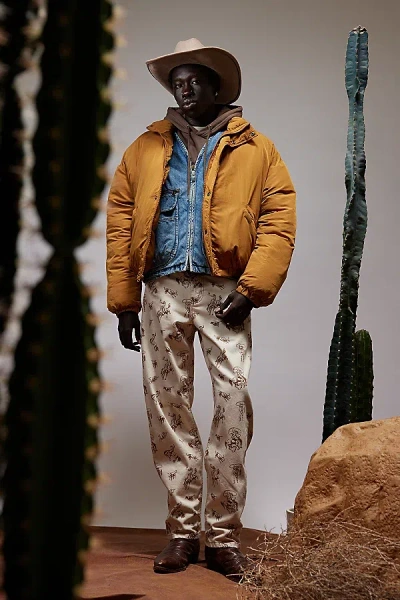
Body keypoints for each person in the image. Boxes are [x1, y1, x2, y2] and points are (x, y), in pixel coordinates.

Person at [106, 38, 296, 580]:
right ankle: (183, 533)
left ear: (217, 86)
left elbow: (279, 218)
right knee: (167, 410)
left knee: (232, 407)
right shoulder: (145, 148)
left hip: (227, 293)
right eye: (177, 83)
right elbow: (121, 220)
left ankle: (224, 537)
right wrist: (124, 301)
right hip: (161, 291)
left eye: (195, 81)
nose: (185, 91)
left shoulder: (257, 148)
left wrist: (253, 289)